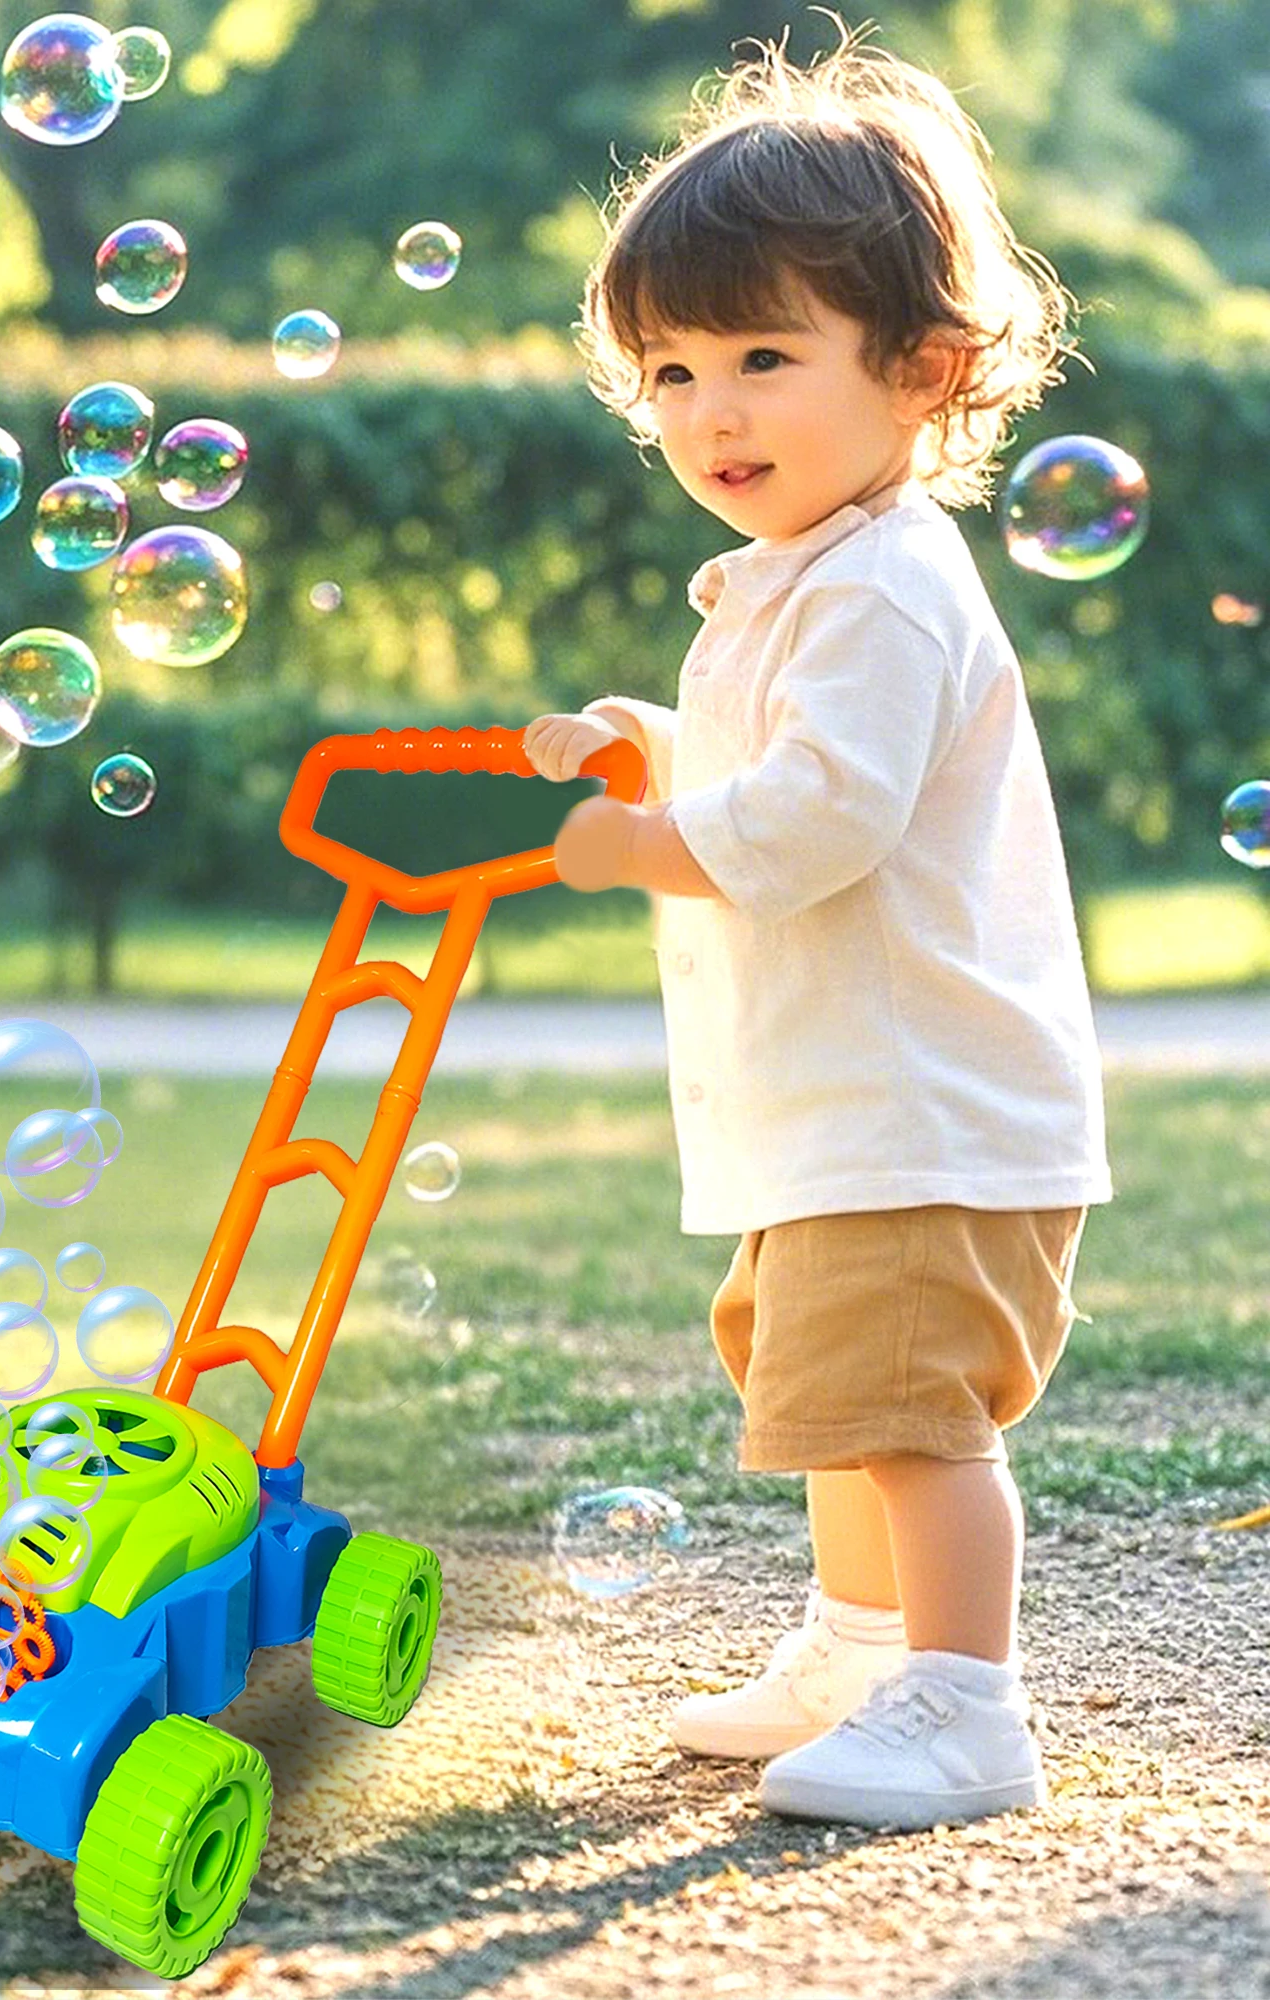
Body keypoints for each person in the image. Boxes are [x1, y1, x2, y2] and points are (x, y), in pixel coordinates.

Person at [523, 18, 1112, 1830]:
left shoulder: (886, 584)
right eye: (675, 369)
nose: (712, 410)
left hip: (925, 1113)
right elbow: (783, 770)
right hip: (840, 1109)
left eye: (765, 355)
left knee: (915, 1409)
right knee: (831, 1388)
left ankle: (967, 1701)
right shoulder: (803, 582)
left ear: (926, 371)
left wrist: (646, 841)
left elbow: (825, 817)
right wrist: (665, 747)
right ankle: (863, 1649)